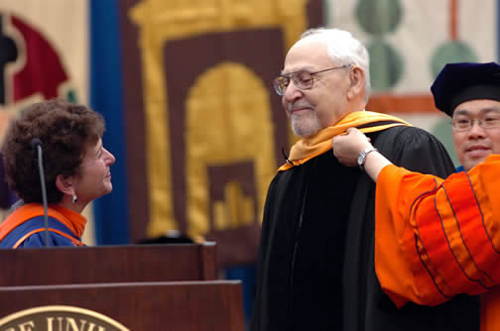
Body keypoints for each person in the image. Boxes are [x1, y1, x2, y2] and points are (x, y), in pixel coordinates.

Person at [251, 28, 479, 331]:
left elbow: (439, 270)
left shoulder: (403, 148)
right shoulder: (289, 175)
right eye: (286, 81)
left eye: (306, 79)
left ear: (354, 80)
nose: (291, 94)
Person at [332, 61, 500, 330]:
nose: (475, 132)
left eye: (490, 120)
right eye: (463, 122)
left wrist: (367, 156)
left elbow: (426, 225)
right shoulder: (451, 183)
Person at [0, 99, 115, 248]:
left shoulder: (26, 231)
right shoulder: (43, 243)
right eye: (99, 154)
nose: (111, 158)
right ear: (66, 183)